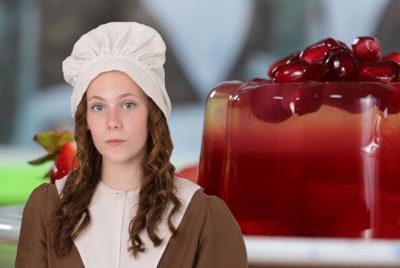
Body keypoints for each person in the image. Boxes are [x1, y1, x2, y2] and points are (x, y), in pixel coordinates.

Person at [15, 22, 248, 268]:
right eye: (98, 107)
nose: (112, 122)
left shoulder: (205, 216)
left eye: (128, 105)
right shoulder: (46, 207)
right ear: (86, 121)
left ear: (153, 113)